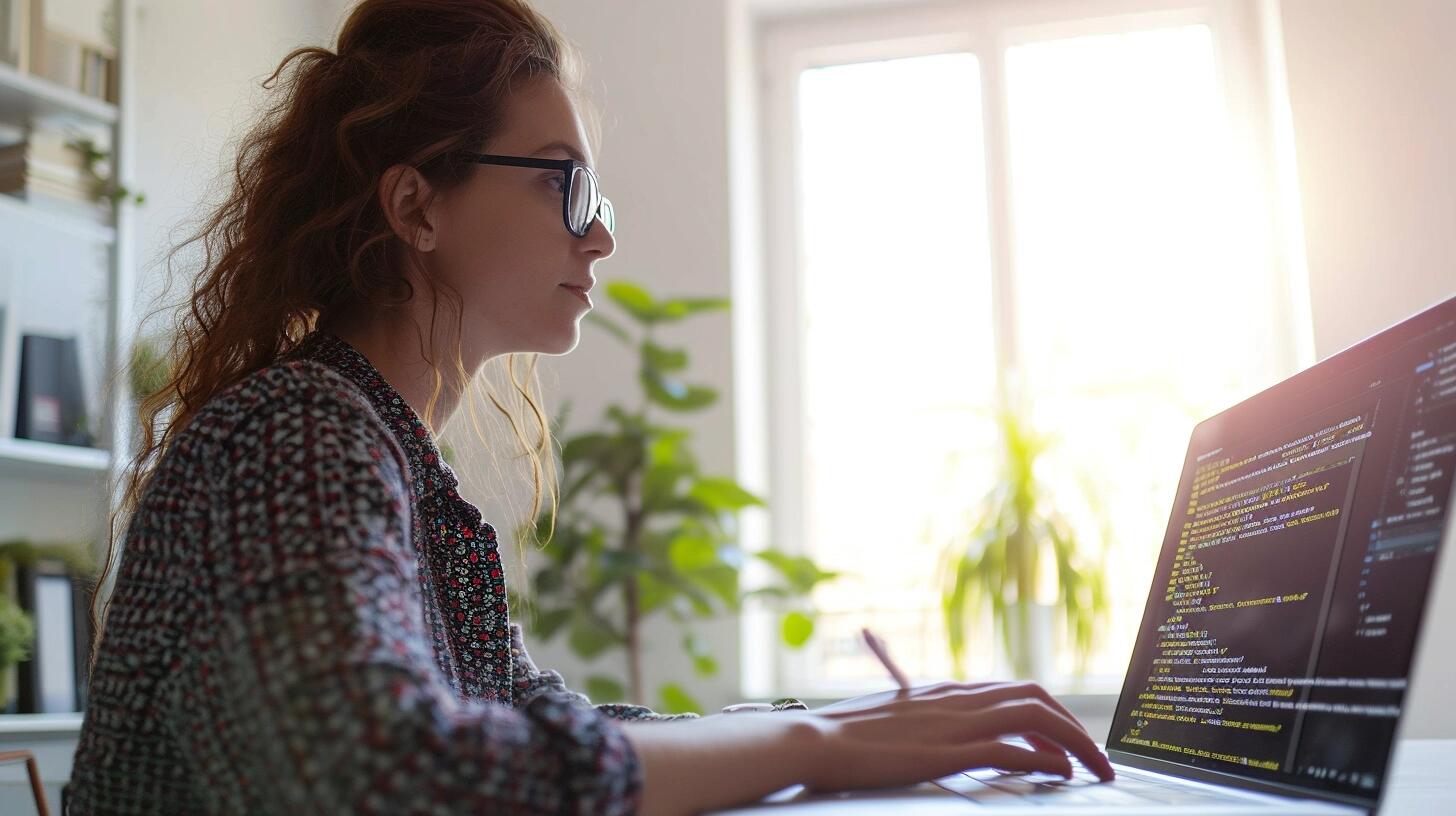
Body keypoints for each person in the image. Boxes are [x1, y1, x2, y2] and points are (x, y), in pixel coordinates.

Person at [64, 0, 1114, 813]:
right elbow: (379, 777)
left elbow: (550, 725)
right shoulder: (291, 430)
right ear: (416, 205)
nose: (599, 235)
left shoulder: (395, 465)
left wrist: (848, 724)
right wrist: (822, 748)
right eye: (563, 185)